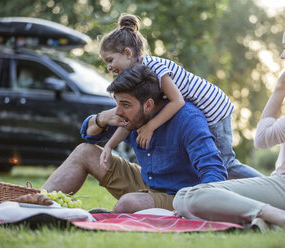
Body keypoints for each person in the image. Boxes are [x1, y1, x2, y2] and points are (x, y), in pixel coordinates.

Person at [172, 18, 285, 231]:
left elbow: (263, 139)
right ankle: (274, 219)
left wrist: (280, 89)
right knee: (186, 197)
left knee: (191, 196)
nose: (282, 55)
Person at [42, 64, 227, 212]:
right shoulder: (130, 116)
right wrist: (102, 118)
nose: (119, 111)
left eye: (125, 105)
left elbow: (214, 173)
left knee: (128, 204)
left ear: (148, 105)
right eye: (117, 104)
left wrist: (191, 206)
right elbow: (89, 136)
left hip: (177, 195)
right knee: (84, 152)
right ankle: (35, 205)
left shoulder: (188, 119)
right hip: (146, 182)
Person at [99, 13, 263, 179]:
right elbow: (132, 118)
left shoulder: (154, 68)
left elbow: (177, 101)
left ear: (127, 53)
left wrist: (151, 126)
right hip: (206, 109)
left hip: (214, 109)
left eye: (110, 60)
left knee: (225, 164)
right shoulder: (138, 76)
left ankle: (266, 185)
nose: (109, 67)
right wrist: (110, 145)